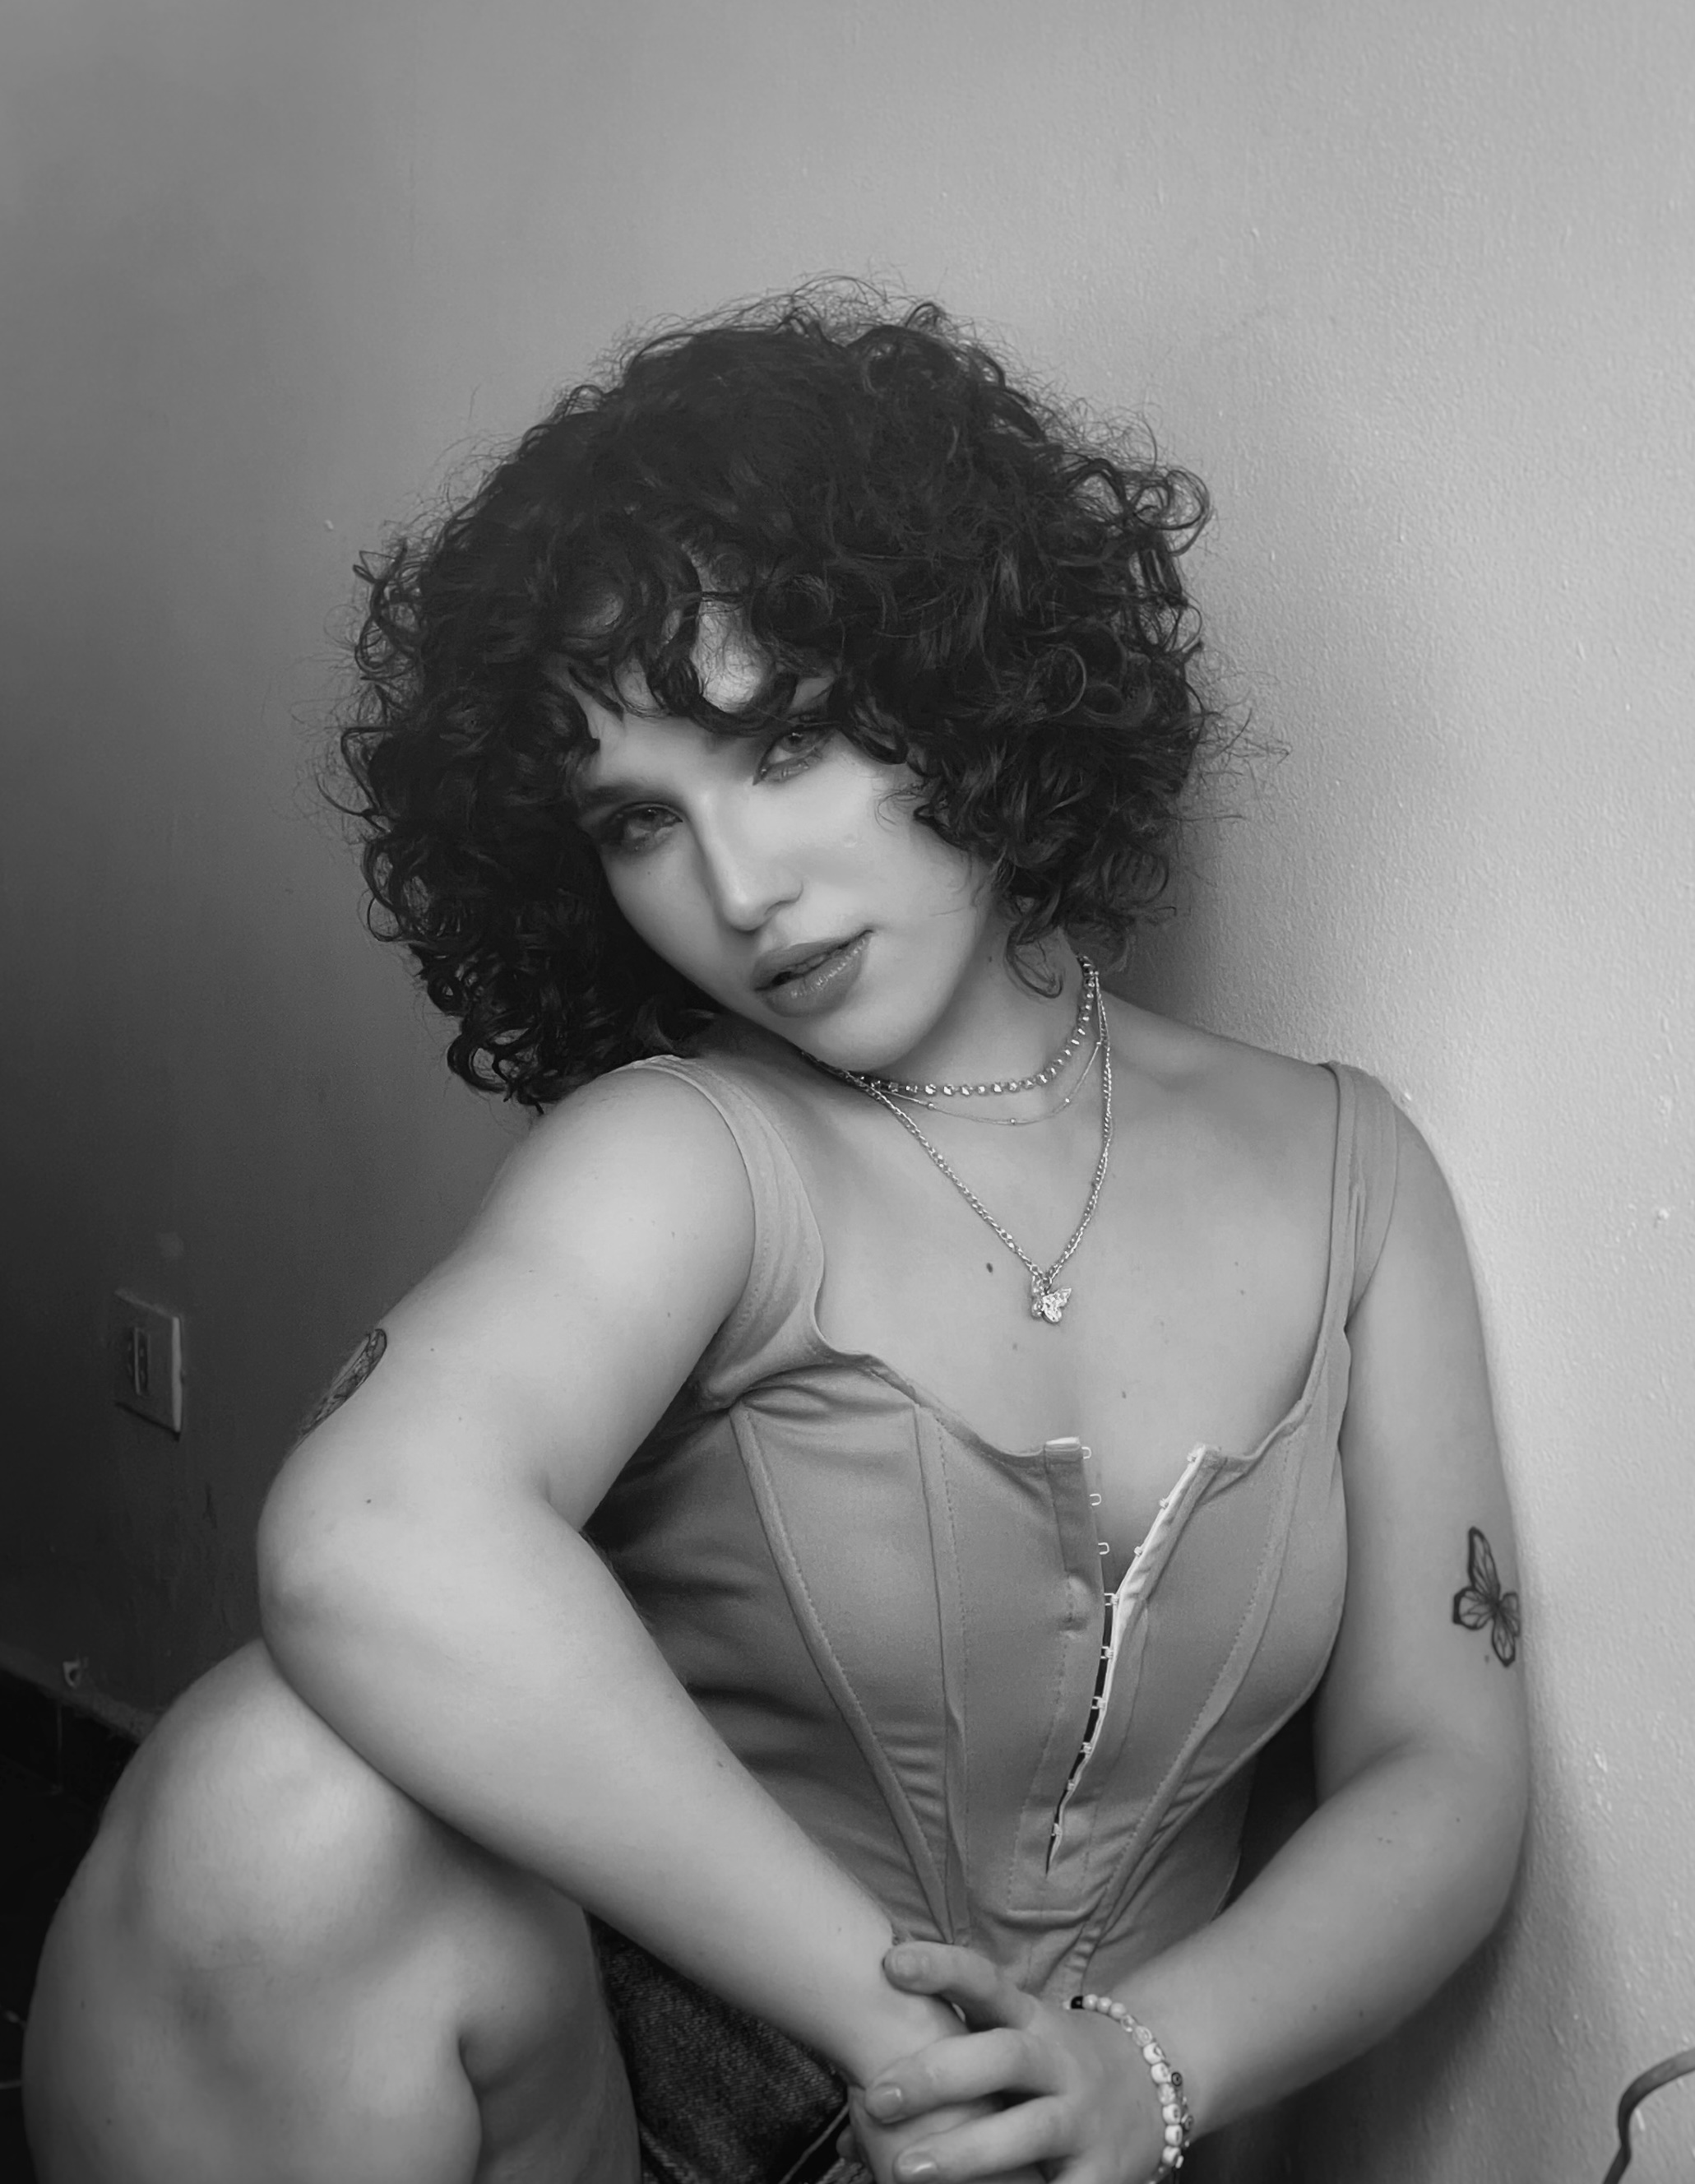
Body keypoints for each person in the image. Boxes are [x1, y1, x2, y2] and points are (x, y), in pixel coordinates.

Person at [25, 289, 1528, 2184]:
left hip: (1132, 2129)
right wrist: (910, 2045)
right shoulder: (685, 1149)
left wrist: (1135, 2071)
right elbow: (369, 1532)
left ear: (967, 676)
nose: (736, 887)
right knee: (269, 1792)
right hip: (675, 2114)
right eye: (636, 821)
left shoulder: (1348, 1169)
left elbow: (1441, 1768)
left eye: (787, 741)